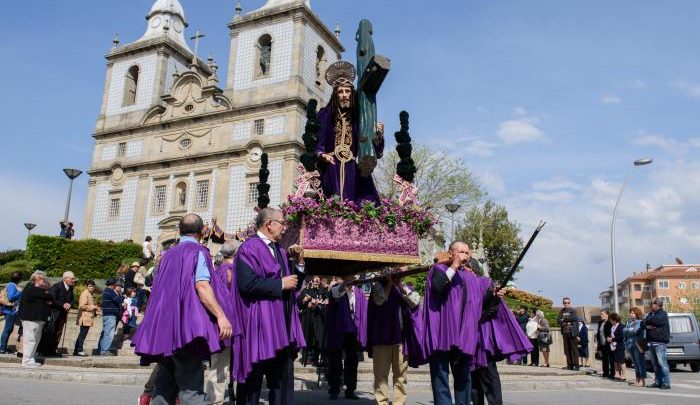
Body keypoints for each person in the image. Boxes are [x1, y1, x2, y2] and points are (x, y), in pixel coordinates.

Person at [132, 213, 233, 405]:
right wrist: (221, 316)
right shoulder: (199, 252)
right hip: (186, 328)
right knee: (191, 387)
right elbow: (202, 286)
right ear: (203, 231)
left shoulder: (167, 255)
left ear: (179, 231)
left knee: (164, 385)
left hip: (163, 327)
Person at [231, 207, 306, 405]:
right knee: (253, 383)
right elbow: (246, 284)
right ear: (269, 224)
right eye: (282, 223)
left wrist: (299, 263)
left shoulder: (280, 250)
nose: (284, 227)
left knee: (281, 382)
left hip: (282, 325)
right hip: (259, 325)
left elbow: (293, 283)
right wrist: (280, 284)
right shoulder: (249, 248)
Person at [422, 241, 495, 405]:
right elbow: (438, 287)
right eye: (461, 251)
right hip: (443, 334)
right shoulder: (439, 270)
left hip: (463, 336)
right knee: (440, 378)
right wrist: (454, 266)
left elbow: (479, 305)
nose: (465, 255)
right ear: (450, 253)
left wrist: (495, 296)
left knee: (464, 380)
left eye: (467, 253)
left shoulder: (470, 276)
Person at [316, 60, 385, 204]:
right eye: (340, 92)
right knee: (332, 202)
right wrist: (322, 154)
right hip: (332, 166)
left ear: (352, 94)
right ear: (335, 95)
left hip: (353, 167)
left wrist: (378, 135)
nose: (344, 95)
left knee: (360, 203)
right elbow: (319, 142)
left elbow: (374, 150)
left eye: (347, 91)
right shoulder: (325, 114)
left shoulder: (359, 117)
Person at [367, 270, 422, 405]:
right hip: (381, 337)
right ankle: (382, 402)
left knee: (400, 376)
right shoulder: (378, 286)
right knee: (381, 375)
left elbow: (415, 302)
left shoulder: (405, 288)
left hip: (400, 338)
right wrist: (390, 283)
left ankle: (399, 402)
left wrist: (400, 286)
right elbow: (380, 300)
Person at [205, 239, 240, 405]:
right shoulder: (232, 270)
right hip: (232, 322)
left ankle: (215, 400)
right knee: (228, 364)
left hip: (219, 322)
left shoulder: (218, 269)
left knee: (218, 365)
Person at [326, 275, 368, 400]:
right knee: (335, 361)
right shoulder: (336, 289)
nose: (351, 279)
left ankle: (350, 389)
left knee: (352, 361)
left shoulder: (359, 292)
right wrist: (345, 284)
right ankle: (334, 389)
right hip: (338, 330)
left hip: (352, 332)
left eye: (352, 277)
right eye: (347, 277)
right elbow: (336, 293)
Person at [18, 271, 52, 368]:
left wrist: (47, 294)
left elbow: (49, 297)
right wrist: (46, 294)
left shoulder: (38, 290)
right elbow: (48, 296)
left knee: (36, 339)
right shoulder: (31, 288)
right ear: (37, 279)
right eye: (43, 279)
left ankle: (31, 358)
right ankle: (27, 360)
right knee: (30, 340)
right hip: (30, 318)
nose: (45, 281)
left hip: (38, 318)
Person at [38, 271, 75, 357]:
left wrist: (69, 304)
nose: (73, 280)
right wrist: (63, 304)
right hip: (54, 312)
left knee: (58, 331)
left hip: (62, 313)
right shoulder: (56, 286)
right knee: (51, 331)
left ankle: (52, 350)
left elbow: (72, 299)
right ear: (66, 278)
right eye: (72, 278)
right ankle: (44, 350)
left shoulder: (70, 288)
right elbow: (52, 298)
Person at [298, 275, 328, 367]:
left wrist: (317, 303)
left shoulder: (322, 291)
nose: (316, 282)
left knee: (318, 339)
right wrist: (305, 301)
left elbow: (327, 302)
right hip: (308, 318)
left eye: (318, 281)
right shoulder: (305, 291)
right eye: (315, 281)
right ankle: (306, 358)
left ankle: (315, 359)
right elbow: (299, 303)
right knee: (308, 338)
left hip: (318, 319)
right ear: (311, 281)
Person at [642, 298, 670, 389]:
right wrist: (648, 324)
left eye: (652, 304)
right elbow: (643, 323)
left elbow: (656, 321)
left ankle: (666, 383)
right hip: (651, 342)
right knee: (655, 365)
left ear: (657, 305)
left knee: (662, 364)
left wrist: (649, 321)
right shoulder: (651, 313)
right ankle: (658, 382)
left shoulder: (663, 314)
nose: (651, 306)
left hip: (659, 343)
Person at [99, 278, 125, 356]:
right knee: (109, 333)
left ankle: (101, 349)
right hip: (110, 315)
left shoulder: (105, 291)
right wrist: (123, 297)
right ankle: (105, 350)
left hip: (106, 315)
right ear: (113, 285)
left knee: (105, 333)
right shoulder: (110, 292)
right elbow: (118, 300)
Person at [73, 280, 98, 357]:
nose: (92, 287)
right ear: (87, 286)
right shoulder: (85, 294)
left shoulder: (90, 294)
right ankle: (79, 350)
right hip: (84, 317)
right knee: (82, 334)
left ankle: (76, 350)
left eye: (93, 286)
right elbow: (82, 306)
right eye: (90, 286)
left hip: (87, 317)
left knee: (82, 334)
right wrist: (93, 307)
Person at [0, 272, 23, 354]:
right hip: (10, 311)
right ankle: (2, 348)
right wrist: (21, 292)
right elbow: (11, 297)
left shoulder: (12, 285)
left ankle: (3, 347)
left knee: (8, 329)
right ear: (20, 279)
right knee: (8, 329)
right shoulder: (12, 285)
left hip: (11, 310)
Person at [623, 307, 647, 387]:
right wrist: (629, 329)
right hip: (630, 345)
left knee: (640, 363)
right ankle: (637, 379)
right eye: (631, 313)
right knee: (635, 364)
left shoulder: (640, 322)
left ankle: (642, 380)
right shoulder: (629, 323)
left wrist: (628, 330)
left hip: (637, 345)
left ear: (637, 314)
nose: (631, 314)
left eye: (633, 313)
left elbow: (635, 331)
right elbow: (624, 331)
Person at [556, 297, 579, 370]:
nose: (567, 304)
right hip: (565, 332)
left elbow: (574, 318)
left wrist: (564, 319)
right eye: (565, 303)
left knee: (574, 350)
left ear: (570, 303)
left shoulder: (573, 310)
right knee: (567, 350)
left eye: (568, 302)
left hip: (572, 332)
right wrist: (564, 323)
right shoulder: (561, 311)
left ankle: (576, 366)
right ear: (563, 303)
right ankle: (570, 365)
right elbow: (558, 320)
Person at [607, 313, 625, 381]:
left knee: (621, 361)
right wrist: (609, 338)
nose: (610, 321)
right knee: (615, 361)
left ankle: (624, 375)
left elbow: (621, 336)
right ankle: (617, 373)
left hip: (620, 345)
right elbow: (612, 335)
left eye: (611, 320)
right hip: (613, 346)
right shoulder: (612, 327)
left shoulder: (621, 326)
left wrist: (613, 339)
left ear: (614, 319)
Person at [595, 310, 613, 378]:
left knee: (611, 359)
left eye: (602, 314)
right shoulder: (600, 323)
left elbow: (612, 332)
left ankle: (612, 373)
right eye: (601, 314)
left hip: (609, 343)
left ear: (607, 315)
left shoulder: (610, 322)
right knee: (604, 359)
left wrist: (610, 338)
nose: (601, 316)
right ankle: (605, 372)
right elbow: (599, 333)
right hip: (602, 343)